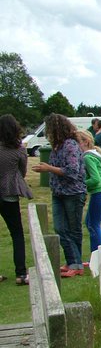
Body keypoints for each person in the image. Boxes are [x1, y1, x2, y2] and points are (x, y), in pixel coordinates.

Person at [32, 114, 87, 278]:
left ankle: (75, 263)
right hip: (59, 192)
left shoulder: (70, 145)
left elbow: (72, 171)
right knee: (60, 228)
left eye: (49, 129)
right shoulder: (57, 146)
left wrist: (49, 168)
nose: (48, 133)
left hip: (73, 193)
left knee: (73, 229)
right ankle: (73, 261)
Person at [0, 115, 33, 285]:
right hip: (9, 194)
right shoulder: (19, 149)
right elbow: (22, 171)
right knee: (17, 234)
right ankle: (21, 273)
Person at [75, 129, 101, 263]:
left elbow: (95, 179)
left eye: (77, 143)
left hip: (99, 192)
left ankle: (97, 255)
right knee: (90, 222)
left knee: (93, 225)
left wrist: (81, 183)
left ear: (85, 142)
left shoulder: (87, 157)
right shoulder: (95, 154)